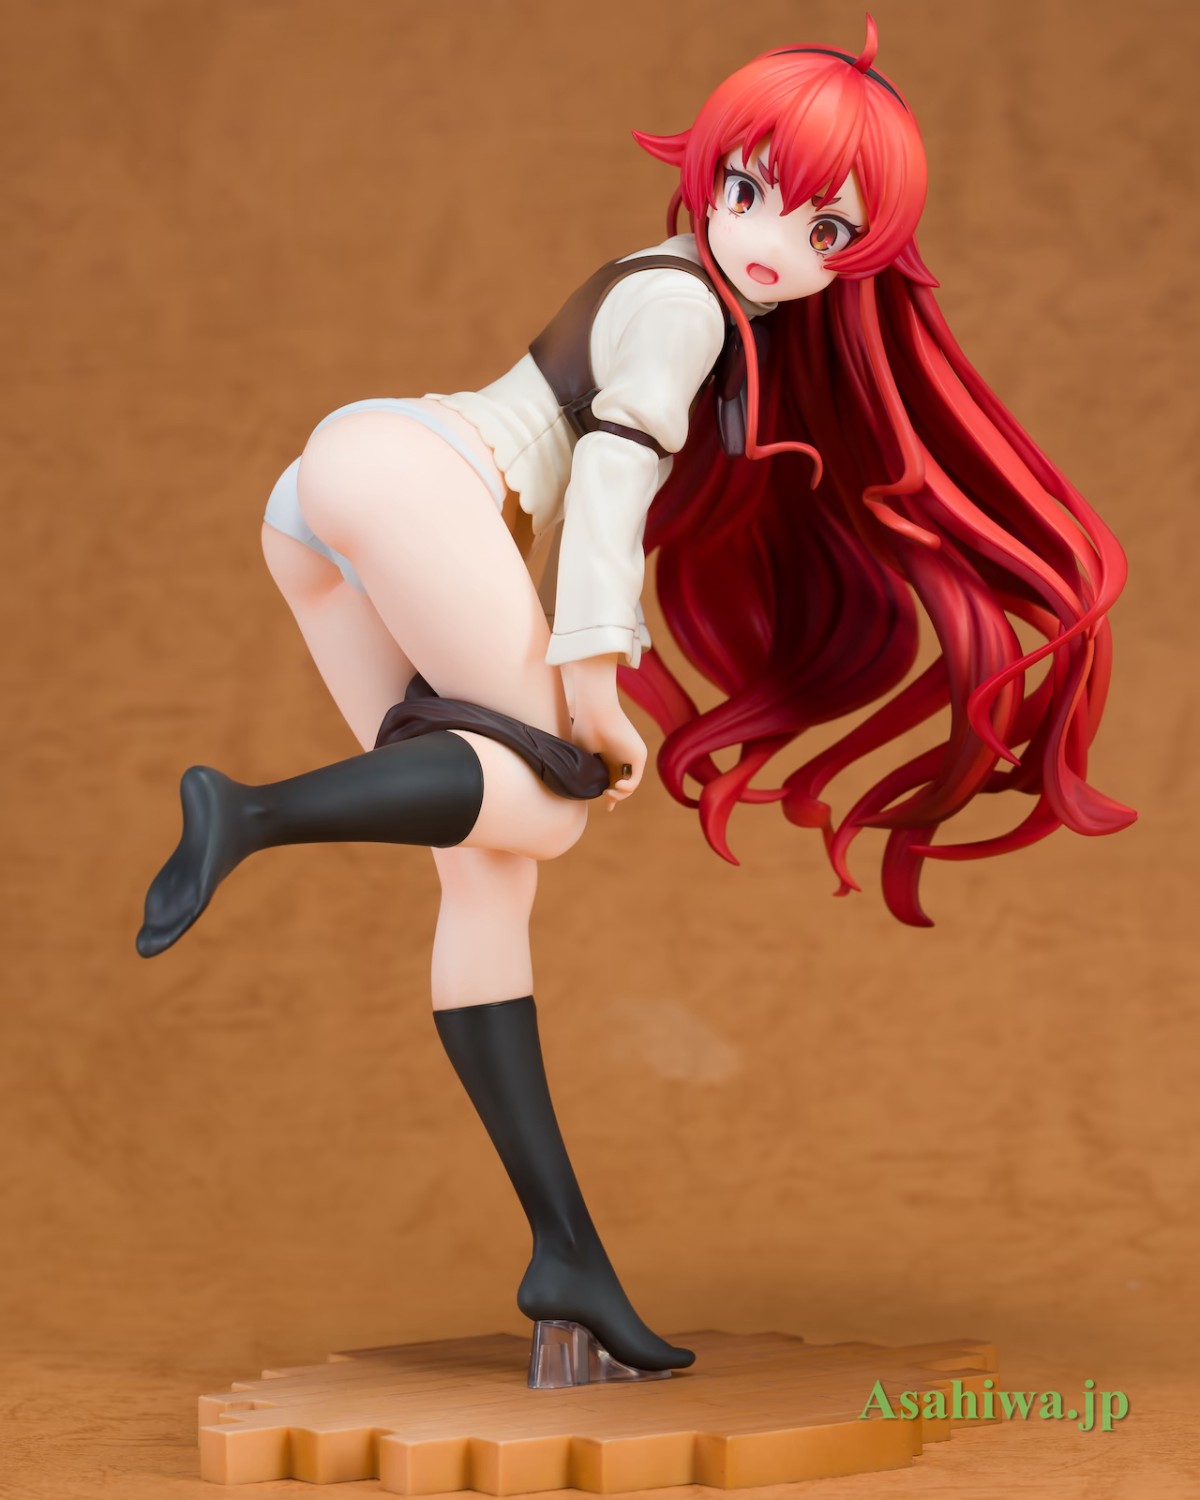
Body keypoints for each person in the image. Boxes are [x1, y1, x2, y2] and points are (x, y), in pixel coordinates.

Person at [135, 18, 1135, 1379]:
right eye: (749, 189)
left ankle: (566, 1257)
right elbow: (610, 476)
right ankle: (245, 813)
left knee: (488, 871)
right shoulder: (685, 308)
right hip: (414, 483)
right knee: (550, 805)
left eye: (824, 227)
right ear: (707, 170)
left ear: (860, 256)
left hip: (324, 506)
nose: (771, 240)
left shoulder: (687, 291)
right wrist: (595, 687)